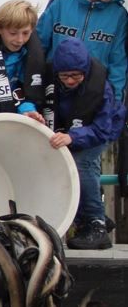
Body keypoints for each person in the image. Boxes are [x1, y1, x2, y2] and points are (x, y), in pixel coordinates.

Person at [47, 39, 126, 250]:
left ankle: (96, 223)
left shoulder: (101, 89)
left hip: (102, 129)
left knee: (83, 164)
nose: (71, 81)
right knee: (60, 164)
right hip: (70, 128)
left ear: (85, 72)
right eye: (65, 76)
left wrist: (74, 136)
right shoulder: (49, 81)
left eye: (76, 76)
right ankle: (87, 217)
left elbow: (102, 130)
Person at [37, 0, 128, 102]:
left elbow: (118, 62)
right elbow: (39, 45)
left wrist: (115, 103)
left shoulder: (119, 15)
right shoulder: (61, 2)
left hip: (93, 93)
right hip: (53, 89)